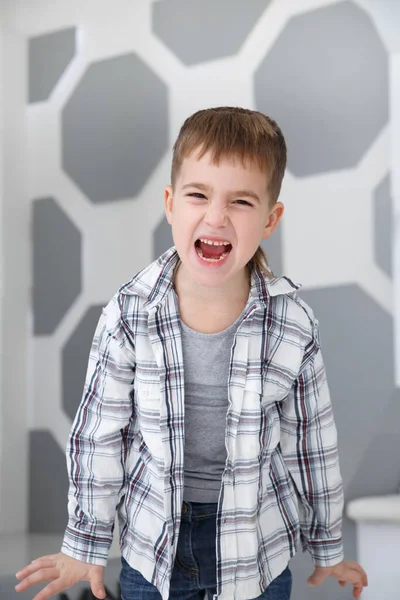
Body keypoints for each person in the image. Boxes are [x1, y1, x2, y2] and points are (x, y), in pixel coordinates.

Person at [15, 107, 367, 600]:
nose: (216, 216)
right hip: (153, 545)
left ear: (270, 219)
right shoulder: (130, 312)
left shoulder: (292, 325)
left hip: (254, 549)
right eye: (198, 194)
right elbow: (99, 435)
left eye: (241, 201)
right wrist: (86, 544)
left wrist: (329, 546)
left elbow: (312, 445)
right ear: (171, 204)